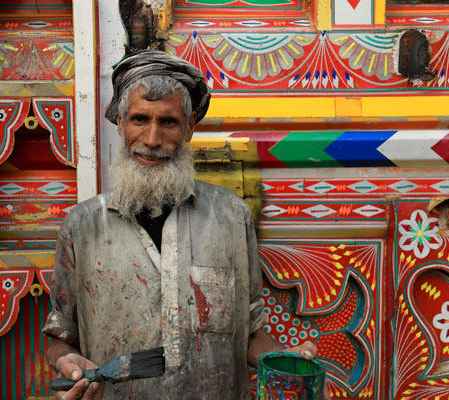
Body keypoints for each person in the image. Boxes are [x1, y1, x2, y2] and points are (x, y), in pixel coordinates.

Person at [43, 50, 328, 400]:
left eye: (168, 122)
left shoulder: (232, 216)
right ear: (120, 123)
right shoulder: (81, 226)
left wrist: (281, 360)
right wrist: (67, 363)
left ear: (190, 126)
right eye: (139, 120)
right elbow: (61, 336)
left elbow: (249, 332)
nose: (151, 139)